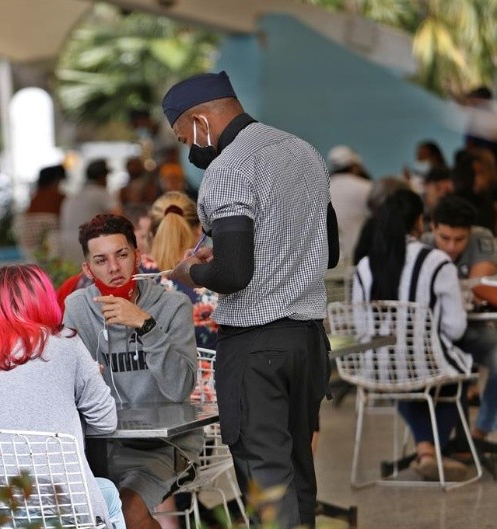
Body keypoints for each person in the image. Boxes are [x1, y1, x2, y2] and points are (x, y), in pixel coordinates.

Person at [161, 71, 336, 528]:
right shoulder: (305, 152)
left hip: (256, 348)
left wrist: (189, 271)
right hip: (308, 343)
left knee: (266, 478)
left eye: (185, 137)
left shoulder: (228, 168)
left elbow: (233, 274)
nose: (189, 148)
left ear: (200, 121)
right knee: (298, 469)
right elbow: (329, 250)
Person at [0, 264, 126, 529]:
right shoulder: (66, 344)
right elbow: (106, 422)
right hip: (56, 505)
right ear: (43, 300)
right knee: (108, 494)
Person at [62, 214, 200, 529]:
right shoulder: (78, 308)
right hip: (102, 446)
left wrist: (146, 325)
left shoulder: (173, 306)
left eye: (122, 255)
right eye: (101, 260)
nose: (114, 267)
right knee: (76, 512)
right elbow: (70, 388)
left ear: (137, 256)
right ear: (88, 269)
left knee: (127, 509)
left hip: (167, 445)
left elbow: (179, 389)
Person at [354, 189, 472, 480]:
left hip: (373, 366)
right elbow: (456, 327)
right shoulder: (437, 262)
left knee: (399, 368)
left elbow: (359, 325)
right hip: (423, 364)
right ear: (420, 221)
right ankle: (431, 451)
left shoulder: (366, 265)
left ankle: (425, 452)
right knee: (457, 369)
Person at [422, 195, 497, 440]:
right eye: (444, 238)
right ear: (432, 227)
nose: (451, 247)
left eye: (460, 239)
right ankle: (433, 440)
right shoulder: (421, 244)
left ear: (470, 231)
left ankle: (479, 432)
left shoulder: (481, 238)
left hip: (472, 329)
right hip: (432, 335)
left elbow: (478, 286)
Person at [143, 191, 218, 350]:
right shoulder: (216, 277)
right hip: (213, 365)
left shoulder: (136, 275)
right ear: (199, 230)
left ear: (150, 233)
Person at [327, 145, 373, 264]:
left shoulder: (322, 188)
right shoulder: (366, 187)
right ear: (354, 166)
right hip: (357, 258)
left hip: (328, 259)